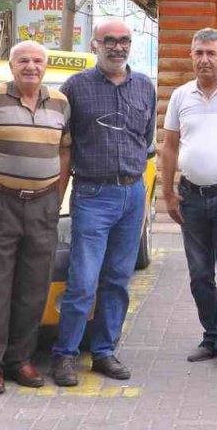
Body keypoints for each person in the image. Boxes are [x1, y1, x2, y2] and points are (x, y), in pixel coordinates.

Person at [0, 40, 71, 395]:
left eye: (37, 60)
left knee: (34, 287)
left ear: (45, 66)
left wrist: (56, 197)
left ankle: (20, 359)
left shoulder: (61, 103)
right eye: (24, 60)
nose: (31, 66)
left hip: (42, 205)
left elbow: (65, 151)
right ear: (12, 65)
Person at [51, 19, 156, 386]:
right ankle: (64, 355)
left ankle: (104, 353)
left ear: (131, 45)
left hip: (132, 193)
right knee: (83, 280)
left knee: (117, 280)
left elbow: (146, 139)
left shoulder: (145, 86)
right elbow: (62, 145)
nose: (117, 47)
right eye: (108, 41)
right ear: (94, 45)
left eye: (124, 40)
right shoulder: (75, 88)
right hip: (93, 195)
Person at [158, 28, 217, 372]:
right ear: (190, 56)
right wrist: (168, 193)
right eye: (198, 53)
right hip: (191, 198)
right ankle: (211, 336)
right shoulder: (181, 96)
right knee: (200, 274)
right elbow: (169, 146)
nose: (204, 59)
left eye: (211, 53)